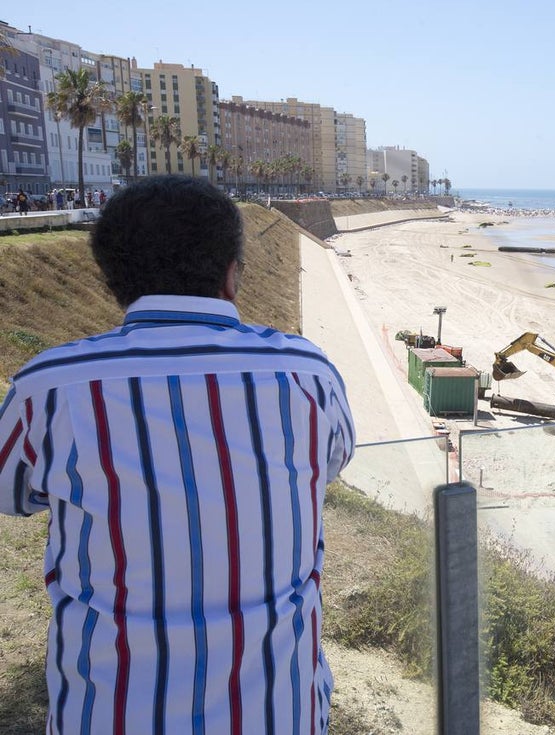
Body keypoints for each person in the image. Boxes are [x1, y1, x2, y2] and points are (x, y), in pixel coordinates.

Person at [0, 174, 355, 733]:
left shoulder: (49, 386)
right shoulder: (308, 374)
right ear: (232, 273)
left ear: (112, 279)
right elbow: (331, 463)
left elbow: (12, 494)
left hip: (107, 716)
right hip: (280, 714)